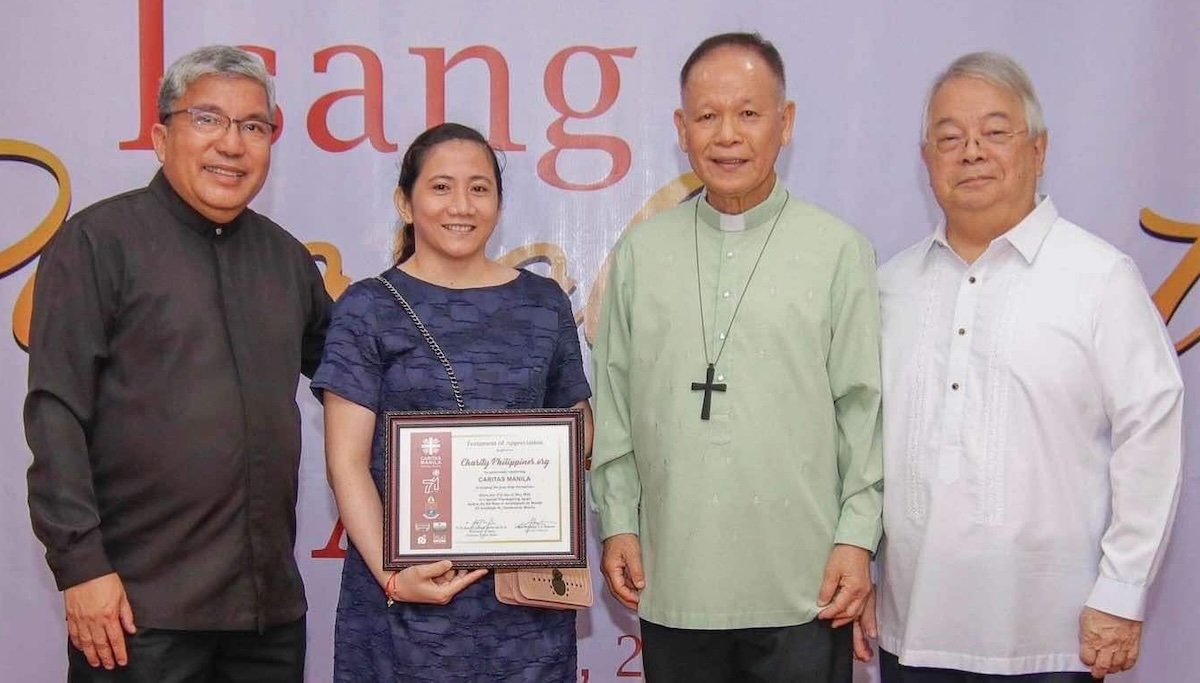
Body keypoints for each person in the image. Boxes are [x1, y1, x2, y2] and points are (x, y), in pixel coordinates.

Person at [862, 51, 1185, 682]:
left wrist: (1121, 594)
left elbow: (1152, 437)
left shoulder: (1099, 278)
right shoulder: (887, 286)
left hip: (1055, 641)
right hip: (913, 634)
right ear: (926, 160)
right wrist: (865, 572)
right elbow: (863, 446)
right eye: (949, 138)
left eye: (995, 132)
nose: (972, 151)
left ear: (1038, 150)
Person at [24, 45, 330, 682]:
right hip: (137, 614)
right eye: (208, 119)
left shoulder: (288, 262)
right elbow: (56, 415)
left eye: (253, 126)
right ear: (162, 138)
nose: (233, 143)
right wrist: (81, 567)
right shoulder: (97, 244)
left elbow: (357, 387)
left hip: (267, 617)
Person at [590, 32, 884, 683]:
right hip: (675, 574)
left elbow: (863, 409)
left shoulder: (837, 249)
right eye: (707, 116)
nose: (727, 135)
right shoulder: (641, 254)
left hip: (804, 581)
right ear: (681, 128)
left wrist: (857, 536)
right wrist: (617, 520)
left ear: (786, 122)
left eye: (748, 114)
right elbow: (613, 399)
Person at [311, 122, 594, 682]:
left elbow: (578, 420)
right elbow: (346, 463)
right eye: (441, 187)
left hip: (525, 607)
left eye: (479, 188)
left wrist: (544, 458)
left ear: (498, 202)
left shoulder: (543, 303)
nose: (461, 205)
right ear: (405, 202)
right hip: (405, 600)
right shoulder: (367, 308)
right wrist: (395, 577)